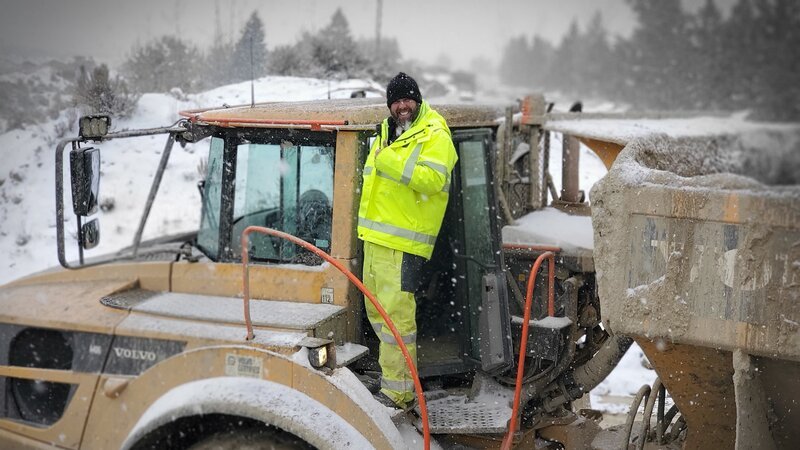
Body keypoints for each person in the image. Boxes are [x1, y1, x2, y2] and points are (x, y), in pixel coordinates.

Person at [357, 72, 457, 409]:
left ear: (417, 100)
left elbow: (432, 180)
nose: (402, 106)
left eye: (407, 99)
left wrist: (387, 159)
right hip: (375, 239)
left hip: (401, 245)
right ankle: (390, 382)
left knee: (395, 319)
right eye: (396, 100)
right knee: (379, 317)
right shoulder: (388, 131)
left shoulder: (434, 133)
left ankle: (398, 393)